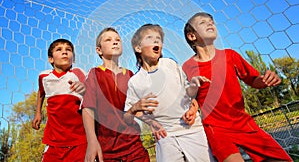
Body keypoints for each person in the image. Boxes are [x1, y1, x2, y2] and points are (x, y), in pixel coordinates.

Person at [182, 12, 293, 162]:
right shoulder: (187, 67)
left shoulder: (230, 56)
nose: (210, 24)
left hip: (244, 123)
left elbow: (253, 80)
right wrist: (192, 108)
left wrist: (266, 80)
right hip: (217, 128)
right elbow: (191, 97)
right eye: (202, 23)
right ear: (191, 36)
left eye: (211, 21)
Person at [125, 24, 214, 162]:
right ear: (138, 48)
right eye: (150, 38)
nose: (156, 42)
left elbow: (189, 95)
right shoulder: (135, 82)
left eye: (158, 39)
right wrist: (147, 119)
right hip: (165, 135)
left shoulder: (170, 65)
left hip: (192, 129)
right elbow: (128, 115)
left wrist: (193, 106)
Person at [81, 27, 166, 162]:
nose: (115, 42)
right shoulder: (94, 74)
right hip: (108, 149)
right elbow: (88, 108)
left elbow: (134, 109)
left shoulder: (131, 75)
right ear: (99, 50)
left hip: (133, 145)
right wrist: (92, 141)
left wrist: (150, 122)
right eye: (108, 40)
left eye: (118, 40)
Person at [32, 38, 87, 162]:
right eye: (59, 49)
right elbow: (41, 93)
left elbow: (92, 95)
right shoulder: (44, 77)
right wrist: (38, 113)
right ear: (50, 59)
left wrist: (85, 88)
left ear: (74, 58)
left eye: (68, 50)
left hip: (79, 139)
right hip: (54, 140)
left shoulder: (78, 73)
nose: (65, 52)